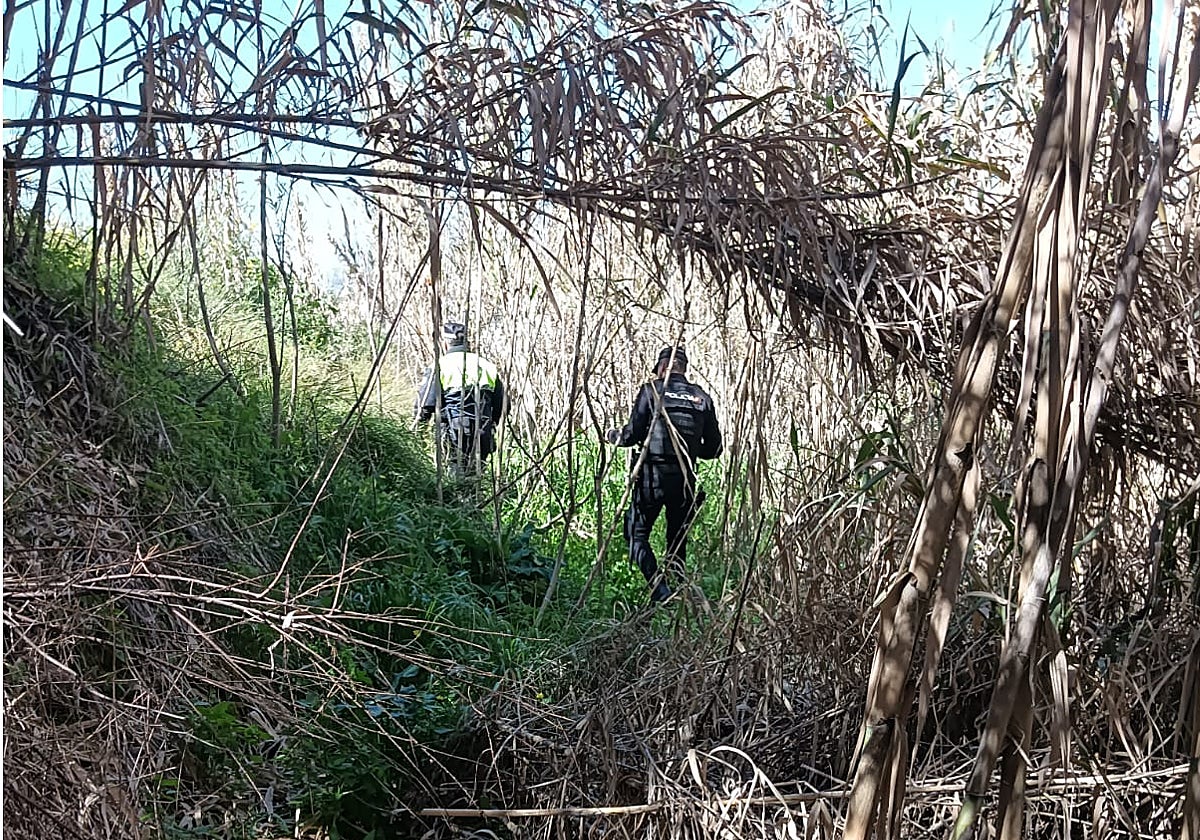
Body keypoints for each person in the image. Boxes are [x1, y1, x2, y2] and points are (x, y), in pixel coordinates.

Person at [605, 345, 722, 603]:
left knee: (635, 534)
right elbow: (715, 449)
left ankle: (660, 591)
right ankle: (679, 600)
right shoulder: (702, 398)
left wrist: (612, 435)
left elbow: (630, 436)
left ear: (660, 368)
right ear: (684, 369)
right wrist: (688, 449)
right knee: (677, 541)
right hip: (684, 481)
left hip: (652, 478)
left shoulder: (651, 391)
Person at [415, 321, 506, 471]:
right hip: (483, 432)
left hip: (454, 433)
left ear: (445, 343)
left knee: (455, 476)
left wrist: (417, 433)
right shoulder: (486, 365)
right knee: (476, 477)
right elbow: (502, 405)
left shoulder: (440, 365)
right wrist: (492, 424)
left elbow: (425, 405)